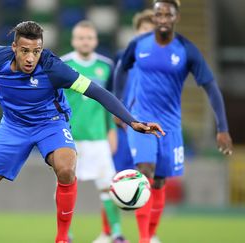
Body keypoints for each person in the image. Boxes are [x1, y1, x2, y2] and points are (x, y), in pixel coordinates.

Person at [0, 21, 164, 243]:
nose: (30, 58)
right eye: (25, 51)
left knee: (66, 167)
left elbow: (97, 92)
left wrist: (132, 122)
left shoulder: (54, 68)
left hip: (51, 123)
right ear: (14, 47)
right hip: (13, 126)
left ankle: (63, 238)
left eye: (36, 51)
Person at [114, 1, 233, 243]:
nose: (163, 18)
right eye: (159, 13)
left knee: (160, 181)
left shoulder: (186, 50)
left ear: (176, 17)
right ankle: (144, 239)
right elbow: (121, 69)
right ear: (155, 17)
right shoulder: (138, 44)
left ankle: (151, 233)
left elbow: (211, 87)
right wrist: (119, 105)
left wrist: (222, 127)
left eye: (168, 14)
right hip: (141, 120)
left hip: (169, 126)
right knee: (145, 171)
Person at [61, 20, 127, 243]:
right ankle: (65, 234)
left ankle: (115, 233)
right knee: (65, 186)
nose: (85, 41)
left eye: (89, 38)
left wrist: (112, 131)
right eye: (81, 37)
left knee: (108, 187)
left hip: (99, 137)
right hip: (70, 138)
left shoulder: (106, 66)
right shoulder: (63, 64)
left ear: (96, 40)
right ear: (73, 40)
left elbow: (110, 102)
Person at [113, 9, 155, 176]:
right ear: (137, 31)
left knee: (146, 172)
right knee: (120, 175)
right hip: (123, 123)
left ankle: (146, 202)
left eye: (152, 31)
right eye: (144, 29)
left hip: (148, 123)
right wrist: (116, 107)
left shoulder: (161, 61)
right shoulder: (122, 56)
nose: (147, 33)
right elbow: (114, 84)